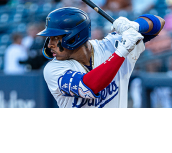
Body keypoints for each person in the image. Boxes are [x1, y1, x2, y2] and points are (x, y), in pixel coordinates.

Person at [37, 7, 165, 108]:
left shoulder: (110, 46)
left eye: (55, 38)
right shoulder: (53, 69)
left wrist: (135, 26)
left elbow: (159, 22)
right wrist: (121, 52)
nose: (49, 44)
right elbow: (90, 86)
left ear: (74, 37)